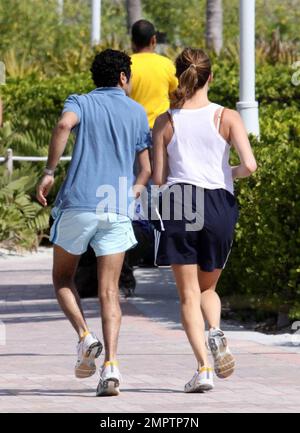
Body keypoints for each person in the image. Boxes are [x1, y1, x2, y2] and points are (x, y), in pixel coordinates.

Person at [36, 49, 152, 397]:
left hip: (78, 203)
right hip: (115, 205)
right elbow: (145, 169)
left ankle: (86, 337)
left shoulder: (81, 102)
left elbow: (63, 125)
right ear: (122, 77)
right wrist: (132, 192)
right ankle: (111, 366)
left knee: (62, 277)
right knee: (109, 291)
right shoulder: (136, 112)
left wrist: (48, 171)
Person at [152, 48, 257, 393]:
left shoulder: (166, 121)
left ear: (179, 76)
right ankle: (215, 330)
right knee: (208, 288)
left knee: (187, 295)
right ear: (210, 77)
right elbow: (250, 166)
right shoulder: (227, 117)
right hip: (218, 203)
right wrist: (225, 173)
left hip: (180, 201)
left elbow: (159, 179)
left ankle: (203, 368)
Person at [130, 19, 178, 130]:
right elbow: (177, 95)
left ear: (132, 41)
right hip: (161, 130)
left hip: (133, 131)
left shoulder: (125, 65)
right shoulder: (166, 64)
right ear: (153, 40)